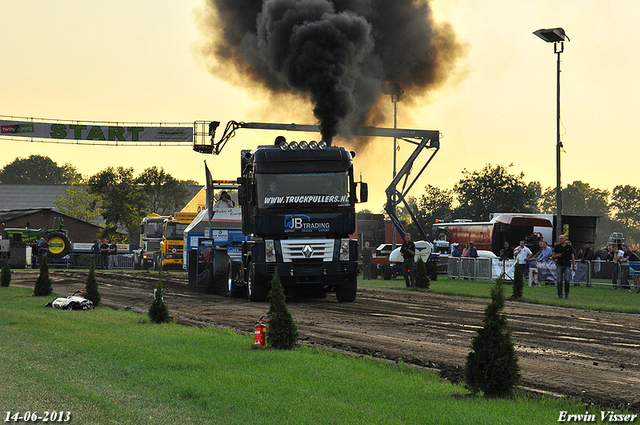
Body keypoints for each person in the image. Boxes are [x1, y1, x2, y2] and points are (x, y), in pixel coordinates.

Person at [552, 235, 576, 299]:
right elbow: (553, 256)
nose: (560, 240)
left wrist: (574, 265)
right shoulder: (557, 247)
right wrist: (557, 255)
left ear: (565, 239)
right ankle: (560, 294)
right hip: (559, 265)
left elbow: (572, 256)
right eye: (559, 239)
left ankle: (566, 294)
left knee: (567, 280)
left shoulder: (569, 247)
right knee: (559, 280)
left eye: (562, 239)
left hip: (567, 265)